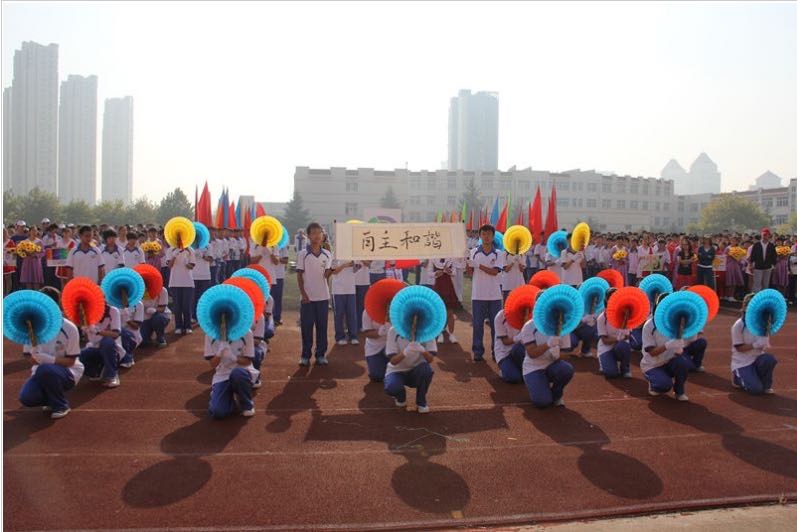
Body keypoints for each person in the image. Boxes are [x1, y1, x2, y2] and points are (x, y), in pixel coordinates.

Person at [18, 287, 84, 419]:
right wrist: (35, 356)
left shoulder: (68, 328)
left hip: (69, 372)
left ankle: (61, 405)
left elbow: (71, 361)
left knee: (46, 369)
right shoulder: (32, 327)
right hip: (42, 371)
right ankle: (50, 397)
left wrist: (47, 359)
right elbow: (28, 356)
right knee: (27, 398)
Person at [641, 294, 691, 401]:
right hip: (652, 364)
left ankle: (679, 391)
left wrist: (679, 348)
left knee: (683, 362)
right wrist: (668, 345)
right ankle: (654, 383)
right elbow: (652, 352)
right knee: (664, 385)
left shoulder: (675, 324)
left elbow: (680, 350)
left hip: (668, 362)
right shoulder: (649, 325)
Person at [296, 222, 333, 366]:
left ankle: (321, 354)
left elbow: (326, 275)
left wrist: (333, 268)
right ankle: (305, 355)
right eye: (314, 233)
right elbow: (299, 275)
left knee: (322, 327)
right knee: (306, 327)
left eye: (320, 232)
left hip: (323, 296)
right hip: (308, 298)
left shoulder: (327, 254)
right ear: (308, 235)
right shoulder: (303, 254)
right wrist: (303, 294)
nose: (317, 236)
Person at [519, 314, 574, 408]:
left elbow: (566, 354)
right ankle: (538, 386)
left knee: (566, 369)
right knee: (543, 403)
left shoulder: (563, 326)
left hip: (552, 365)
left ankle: (556, 395)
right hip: (533, 367)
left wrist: (557, 355)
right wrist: (548, 344)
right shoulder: (529, 325)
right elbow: (532, 354)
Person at [467, 225, 505, 362]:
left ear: (493, 236)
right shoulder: (473, 252)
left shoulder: (499, 253)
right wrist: (467, 264)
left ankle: (497, 352)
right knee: (478, 324)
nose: (486, 236)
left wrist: (478, 265)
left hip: (494, 295)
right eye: (484, 234)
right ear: (480, 236)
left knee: (496, 325)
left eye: (489, 234)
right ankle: (477, 351)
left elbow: (495, 272)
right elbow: (470, 273)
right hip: (478, 294)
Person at [731, 294, 778, 394]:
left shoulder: (762, 324)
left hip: (757, 359)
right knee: (756, 390)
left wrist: (764, 340)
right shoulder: (738, 325)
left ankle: (764, 383)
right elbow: (739, 348)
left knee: (769, 359)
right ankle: (737, 378)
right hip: (742, 362)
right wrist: (755, 345)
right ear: (745, 307)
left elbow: (763, 345)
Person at [204, 330, 258, 418]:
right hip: (222, 374)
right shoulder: (210, 335)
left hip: (242, 371)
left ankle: (246, 404)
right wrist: (219, 354)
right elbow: (212, 364)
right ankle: (229, 401)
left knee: (237, 374)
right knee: (218, 412)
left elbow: (248, 361)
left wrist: (233, 357)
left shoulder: (246, 333)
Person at [384, 327, 437, 413]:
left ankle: (421, 402)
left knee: (427, 370)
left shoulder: (428, 330)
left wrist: (423, 350)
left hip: (416, 370)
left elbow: (430, 359)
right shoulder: (393, 331)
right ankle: (401, 397)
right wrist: (405, 352)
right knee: (392, 387)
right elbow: (393, 361)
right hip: (397, 371)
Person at [79, 303, 124, 388]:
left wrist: (98, 331)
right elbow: (90, 340)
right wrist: (85, 329)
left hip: (113, 349)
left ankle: (112, 375)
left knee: (107, 341)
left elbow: (115, 334)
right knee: (78, 356)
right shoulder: (87, 313)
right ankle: (97, 372)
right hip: (95, 347)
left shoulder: (112, 311)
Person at [595, 288, 632, 378]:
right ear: (607, 300)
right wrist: (619, 338)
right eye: (611, 297)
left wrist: (625, 318)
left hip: (620, 346)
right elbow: (605, 341)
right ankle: (604, 362)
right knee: (611, 374)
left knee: (624, 346)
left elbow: (627, 336)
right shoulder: (602, 318)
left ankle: (625, 369)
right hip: (606, 348)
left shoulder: (625, 315)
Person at [166, 245, 196, 335]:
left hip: (187, 281)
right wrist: (174, 256)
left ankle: (188, 326)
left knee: (186, 305)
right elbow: (169, 266)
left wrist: (187, 264)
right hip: (175, 281)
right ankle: (178, 326)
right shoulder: (170, 250)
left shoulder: (190, 250)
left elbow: (192, 266)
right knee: (177, 306)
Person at [330, 258, 359, 345]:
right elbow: (333, 271)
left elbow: (355, 270)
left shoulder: (352, 254)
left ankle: (353, 336)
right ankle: (340, 337)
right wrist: (345, 265)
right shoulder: (335, 255)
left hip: (350, 288)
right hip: (338, 289)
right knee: (339, 314)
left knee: (352, 313)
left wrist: (356, 267)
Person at [493, 308, 525, 383]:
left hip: (519, 350)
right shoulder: (500, 316)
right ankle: (505, 371)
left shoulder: (528, 316)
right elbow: (505, 341)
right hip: (504, 353)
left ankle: (523, 370)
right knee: (515, 378)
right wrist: (518, 337)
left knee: (518, 347)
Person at [432, 257, 460, 343]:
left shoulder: (451, 259)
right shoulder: (433, 259)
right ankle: (440, 333)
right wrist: (436, 273)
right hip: (438, 287)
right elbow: (429, 273)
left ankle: (451, 334)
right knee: (439, 312)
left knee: (450, 312)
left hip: (448, 287)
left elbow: (454, 272)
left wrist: (449, 271)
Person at [361, 309, 391, 382]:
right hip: (374, 347)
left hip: (392, 345)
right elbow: (367, 333)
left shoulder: (398, 309)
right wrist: (380, 332)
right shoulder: (368, 310)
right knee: (377, 376)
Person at [119, 298, 145, 369]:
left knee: (122, 333)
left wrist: (128, 320)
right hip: (115, 334)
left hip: (131, 335)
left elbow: (136, 326)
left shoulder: (138, 304)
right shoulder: (112, 303)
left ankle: (128, 357)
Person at [749, 228, 777, 293]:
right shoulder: (756, 245)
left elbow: (774, 256)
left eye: (766, 235)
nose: (765, 236)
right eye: (763, 235)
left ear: (769, 236)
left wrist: (774, 265)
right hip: (758, 267)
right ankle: (756, 298)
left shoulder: (771, 245)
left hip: (768, 267)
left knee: (766, 284)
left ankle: (764, 299)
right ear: (761, 235)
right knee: (757, 284)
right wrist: (751, 265)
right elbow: (752, 256)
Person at [19, 225, 44, 289]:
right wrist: (25, 253)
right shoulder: (25, 241)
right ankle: (29, 296)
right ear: (29, 232)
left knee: (36, 281)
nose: (34, 232)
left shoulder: (39, 242)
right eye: (32, 231)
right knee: (28, 281)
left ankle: (36, 295)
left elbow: (43, 252)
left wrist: (35, 255)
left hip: (35, 262)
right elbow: (21, 252)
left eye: (35, 231)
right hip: (27, 262)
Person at [354, 261, 371, 332]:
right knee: (352, 306)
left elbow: (369, 264)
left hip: (364, 282)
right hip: (352, 282)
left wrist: (361, 259)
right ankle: (352, 326)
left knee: (362, 305)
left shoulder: (365, 252)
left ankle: (361, 325)